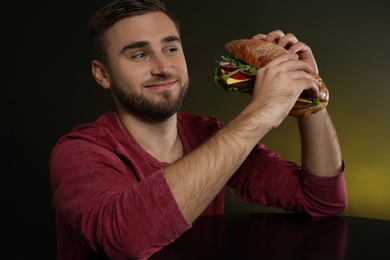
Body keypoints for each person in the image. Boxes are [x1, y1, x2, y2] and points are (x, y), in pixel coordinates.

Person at [49, 0, 347, 259]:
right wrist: (259, 114)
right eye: (139, 54)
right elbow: (128, 239)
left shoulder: (207, 134)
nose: (163, 67)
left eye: (170, 48)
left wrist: (310, 91)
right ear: (102, 74)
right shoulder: (79, 152)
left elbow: (322, 200)